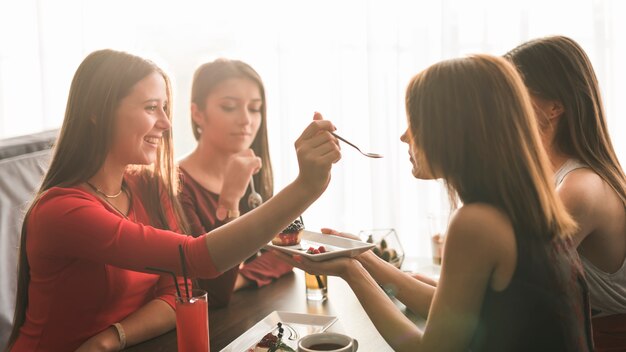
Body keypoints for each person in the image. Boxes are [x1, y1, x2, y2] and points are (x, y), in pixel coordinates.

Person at [5, 49, 340, 351]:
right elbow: (195, 259)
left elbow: (180, 291)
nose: (166, 123)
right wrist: (305, 187)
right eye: (152, 108)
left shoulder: (148, 187)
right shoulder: (64, 211)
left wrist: (111, 338)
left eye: (165, 108)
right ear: (97, 112)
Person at [276, 55, 593, 351]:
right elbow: (452, 310)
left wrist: (351, 272)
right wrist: (363, 258)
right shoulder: (523, 206)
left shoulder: (477, 222)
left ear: (455, 130)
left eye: (415, 120)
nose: (404, 136)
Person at [505, 35, 626, 351]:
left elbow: (503, 289)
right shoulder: (554, 177)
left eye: (512, 92)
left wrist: (361, 260)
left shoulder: (579, 188)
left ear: (555, 106)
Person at [178, 58, 292, 308]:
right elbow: (210, 291)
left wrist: (238, 278)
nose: (246, 120)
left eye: (254, 108)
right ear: (197, 113)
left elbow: (287, 253)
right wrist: (229, 203)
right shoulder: (177, 185)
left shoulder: (252, 173)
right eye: (229, 107)